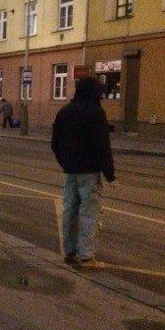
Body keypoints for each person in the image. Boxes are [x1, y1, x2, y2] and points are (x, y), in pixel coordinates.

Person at [51, 76, 115, 269]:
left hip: (70, 171)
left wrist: (66, 163)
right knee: (89, 212)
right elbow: (102, 146)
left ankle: (69, 252)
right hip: (89, 171)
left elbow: (55, 143)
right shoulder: (96, 113)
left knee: (69, 210)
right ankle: (87, 257)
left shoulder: (64, 112)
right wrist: (110, 174)